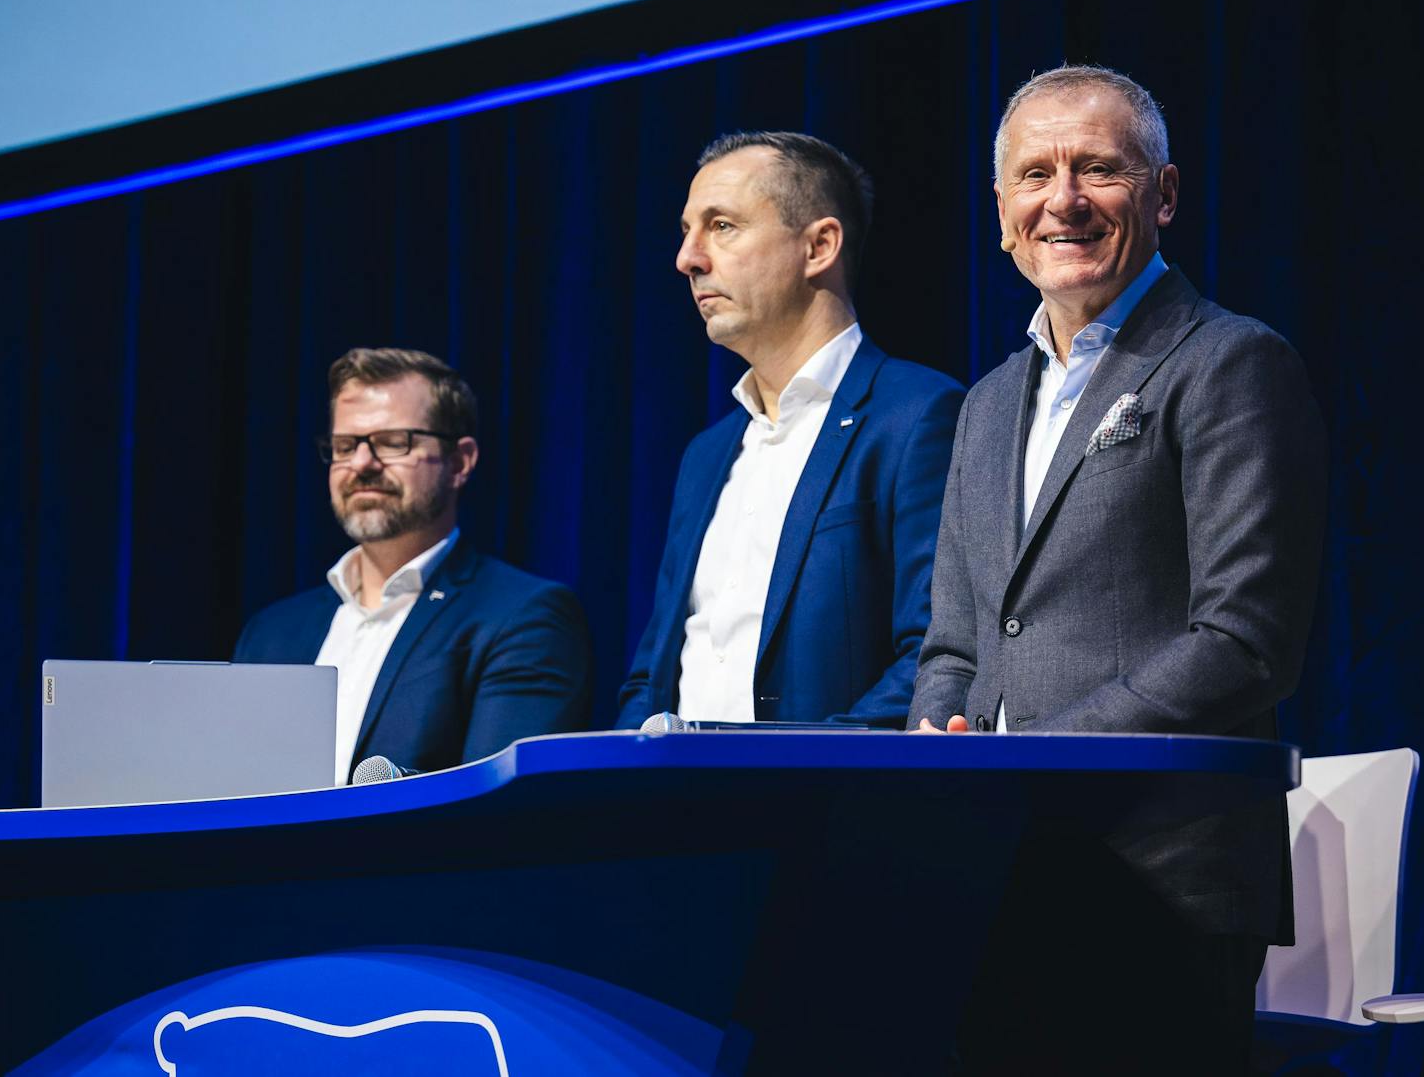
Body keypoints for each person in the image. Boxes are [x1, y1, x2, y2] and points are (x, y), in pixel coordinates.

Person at [908, 66, 1327, 1072]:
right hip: (997, 876)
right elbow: (956, 641)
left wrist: (1032, 762)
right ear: (1002, 210)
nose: (1063, 200)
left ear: (1163, 194)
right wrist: (933, 757)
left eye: (1098, 168)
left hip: (1156, 883)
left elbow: (1242, 641)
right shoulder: (986, 401)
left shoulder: (1227, 360)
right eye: (1033, 174)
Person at [616, 132, 962, 729]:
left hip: (819, 806)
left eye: (721, 226)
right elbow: (652, 676)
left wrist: (791, 781)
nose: (688, 259)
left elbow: (937, 654)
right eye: (686, 230)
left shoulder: (919, 415)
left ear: (820, 246)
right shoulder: (706, 455)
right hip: (673, 809)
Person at [235, 348, 590, 782]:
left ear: (460, 461)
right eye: (346, 446)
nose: (362, 464)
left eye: (392, 442)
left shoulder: (524, 617)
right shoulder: (271, 633)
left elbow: (499, 819)